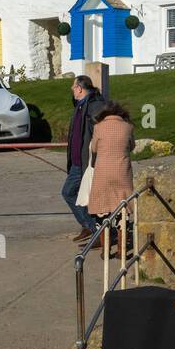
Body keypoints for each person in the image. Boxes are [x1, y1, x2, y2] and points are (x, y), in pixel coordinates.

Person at [62, 75, 106, 244]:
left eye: (73, 87)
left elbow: (99, 133)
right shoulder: (81, 106)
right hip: (76, 160)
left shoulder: (95, 106)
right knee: (80, 195)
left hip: (85, 161)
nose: (72, 90)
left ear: (80, 88)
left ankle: (95, 230)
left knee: (69, 192)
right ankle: (90, 227)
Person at [88, 102, 135, 249]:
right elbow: (132, 146)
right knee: (123, 209)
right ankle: (122, 248)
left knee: (102, 210)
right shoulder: (128, 127)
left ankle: (106, 248)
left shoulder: (98, 127)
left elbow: (94, 148)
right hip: (122, 172)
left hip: (103, 173)